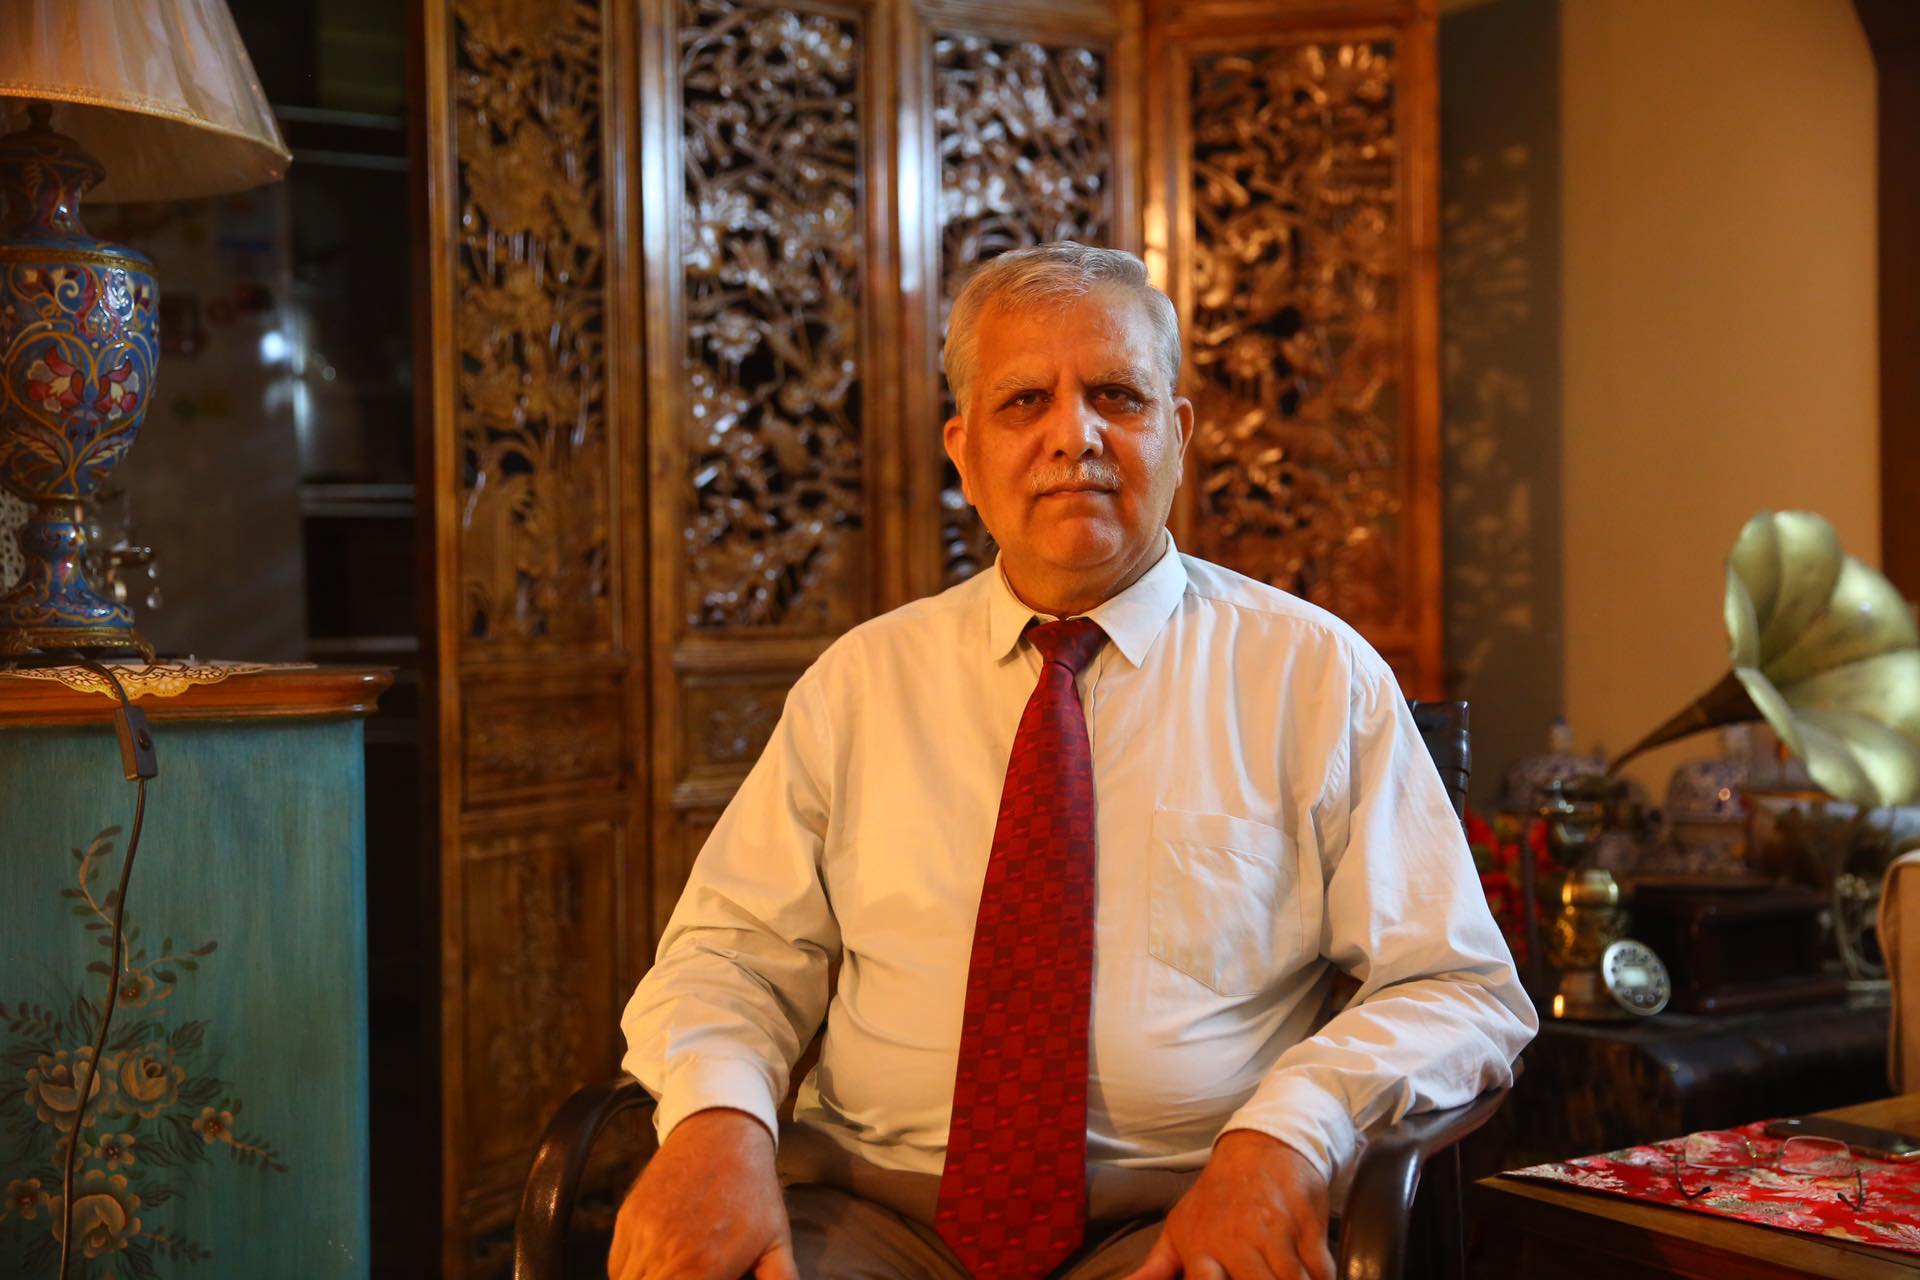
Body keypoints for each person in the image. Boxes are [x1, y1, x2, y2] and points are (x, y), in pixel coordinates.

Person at [611, 242, 1536, 1280]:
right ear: (964, 453)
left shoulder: (1314, 676)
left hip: (1186, 1213)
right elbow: (730, 954)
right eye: (1024, 402)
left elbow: (1456, 986)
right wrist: (718, 1121)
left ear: (1177, 433)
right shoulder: (861, 683)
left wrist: (1292, 1132)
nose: (1075, 436)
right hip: (870, 1212)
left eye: (1117, 397)